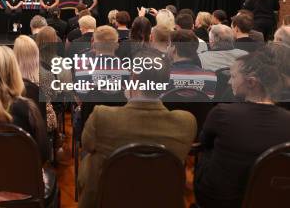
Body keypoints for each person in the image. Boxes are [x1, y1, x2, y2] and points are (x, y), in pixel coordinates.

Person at [77, 47, 196, 208]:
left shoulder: (102, 116)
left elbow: (86, 145)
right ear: (166, 82)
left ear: (134, 76)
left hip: (111, 196)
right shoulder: (186, 123)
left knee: (92, 158)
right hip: (161, 197)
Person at [194, 48, 290, 208]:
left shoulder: (222, 113)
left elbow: (204, 142)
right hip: (271, 200)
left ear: (251, 82)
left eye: (233, 76)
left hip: (219, 200)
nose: (229, 82)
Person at [13, 35, 57, 132]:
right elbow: (53, 97)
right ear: (36, 52)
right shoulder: (47, 76)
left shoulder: (9, 79)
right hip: (43, 126)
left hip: (15, 128)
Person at [169, 30, 217, 98]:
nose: (167, 47)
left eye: (168, 44)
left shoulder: (163, 76)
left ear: (173, 48)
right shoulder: (211, 76)